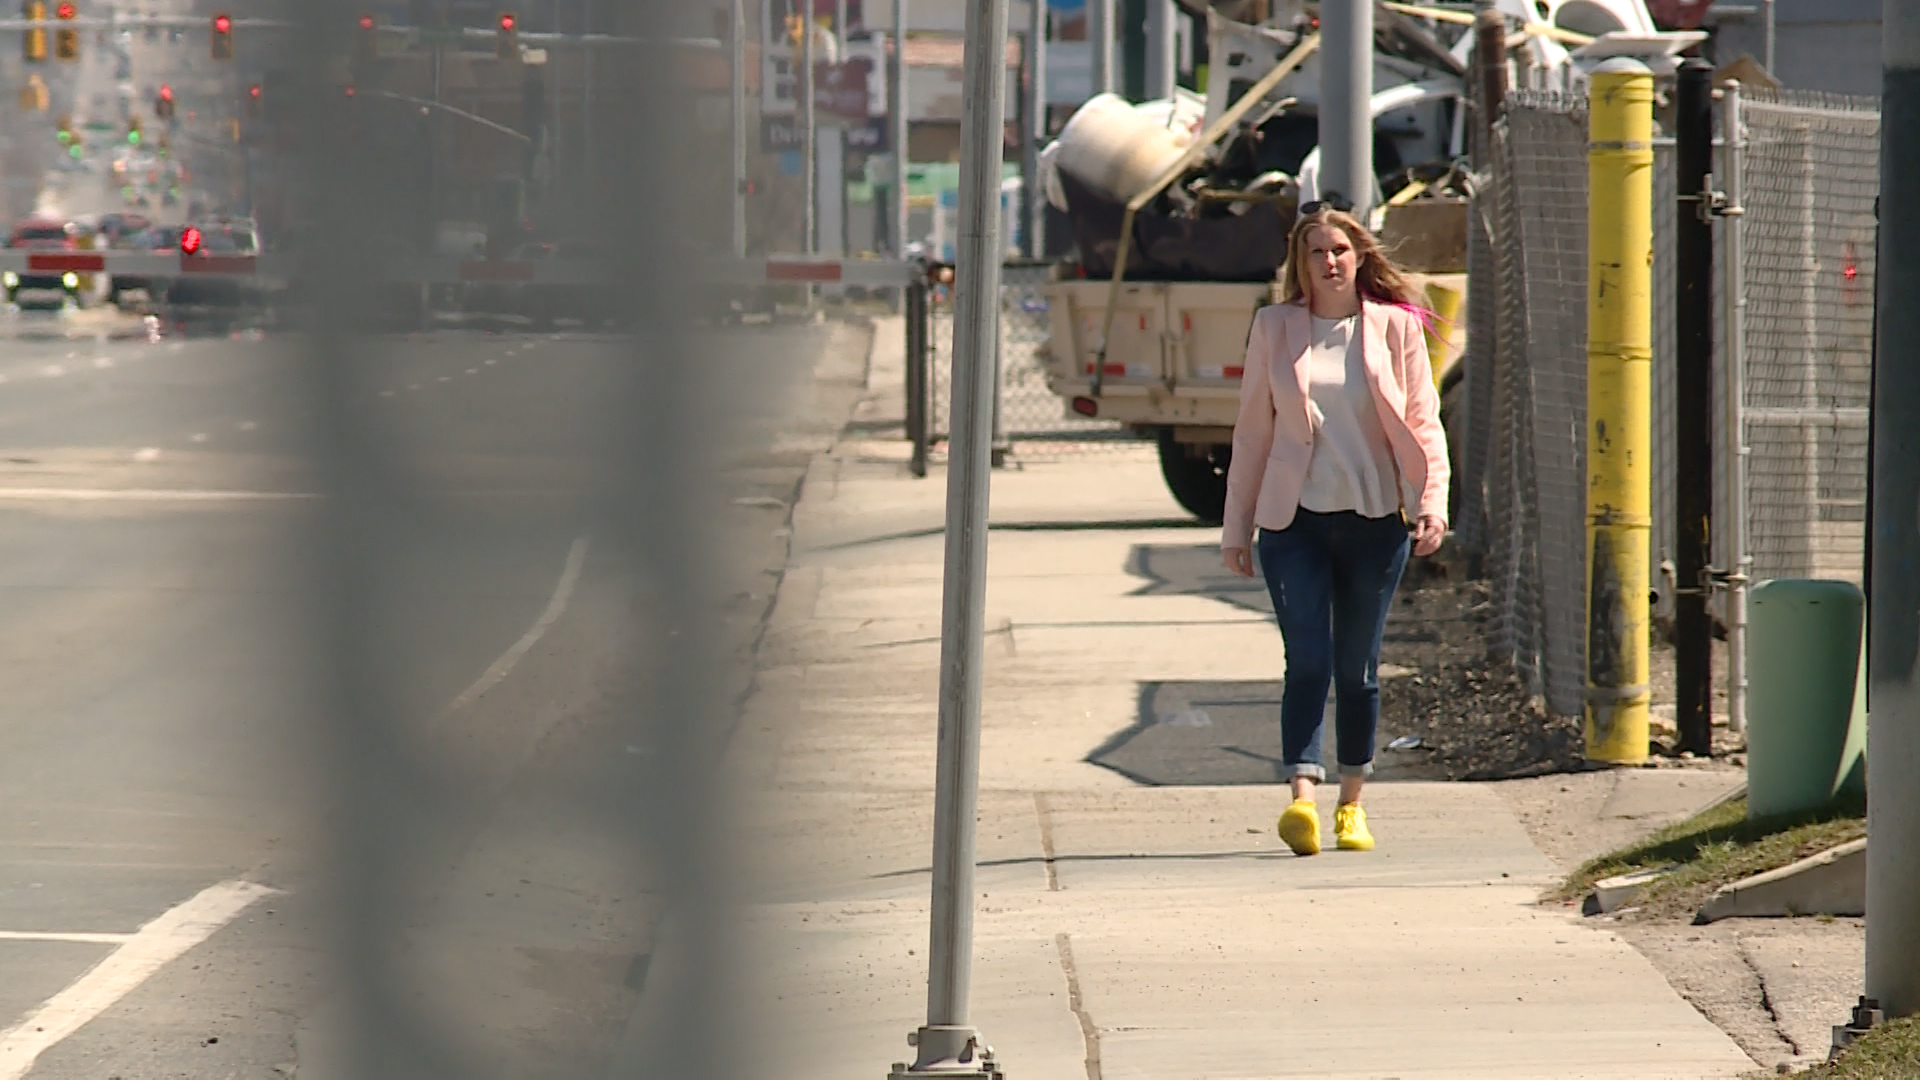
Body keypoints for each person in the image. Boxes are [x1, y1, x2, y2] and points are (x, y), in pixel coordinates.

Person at [1220, 201, 1451, 857]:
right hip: (1293, 524)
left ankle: (1352, 803)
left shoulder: (1396, 329)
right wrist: (1236, 527)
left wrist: (1431, 500)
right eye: (1316, 252)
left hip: (1377, 521)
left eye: (1339, 251)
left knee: (1358, 670)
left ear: (1359, 257)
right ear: (1300, 263)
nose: (1328, 262)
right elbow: (1253, 431)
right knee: (1309, 662)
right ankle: (1301, 801)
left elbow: (1423, 420)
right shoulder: (1275, 327)